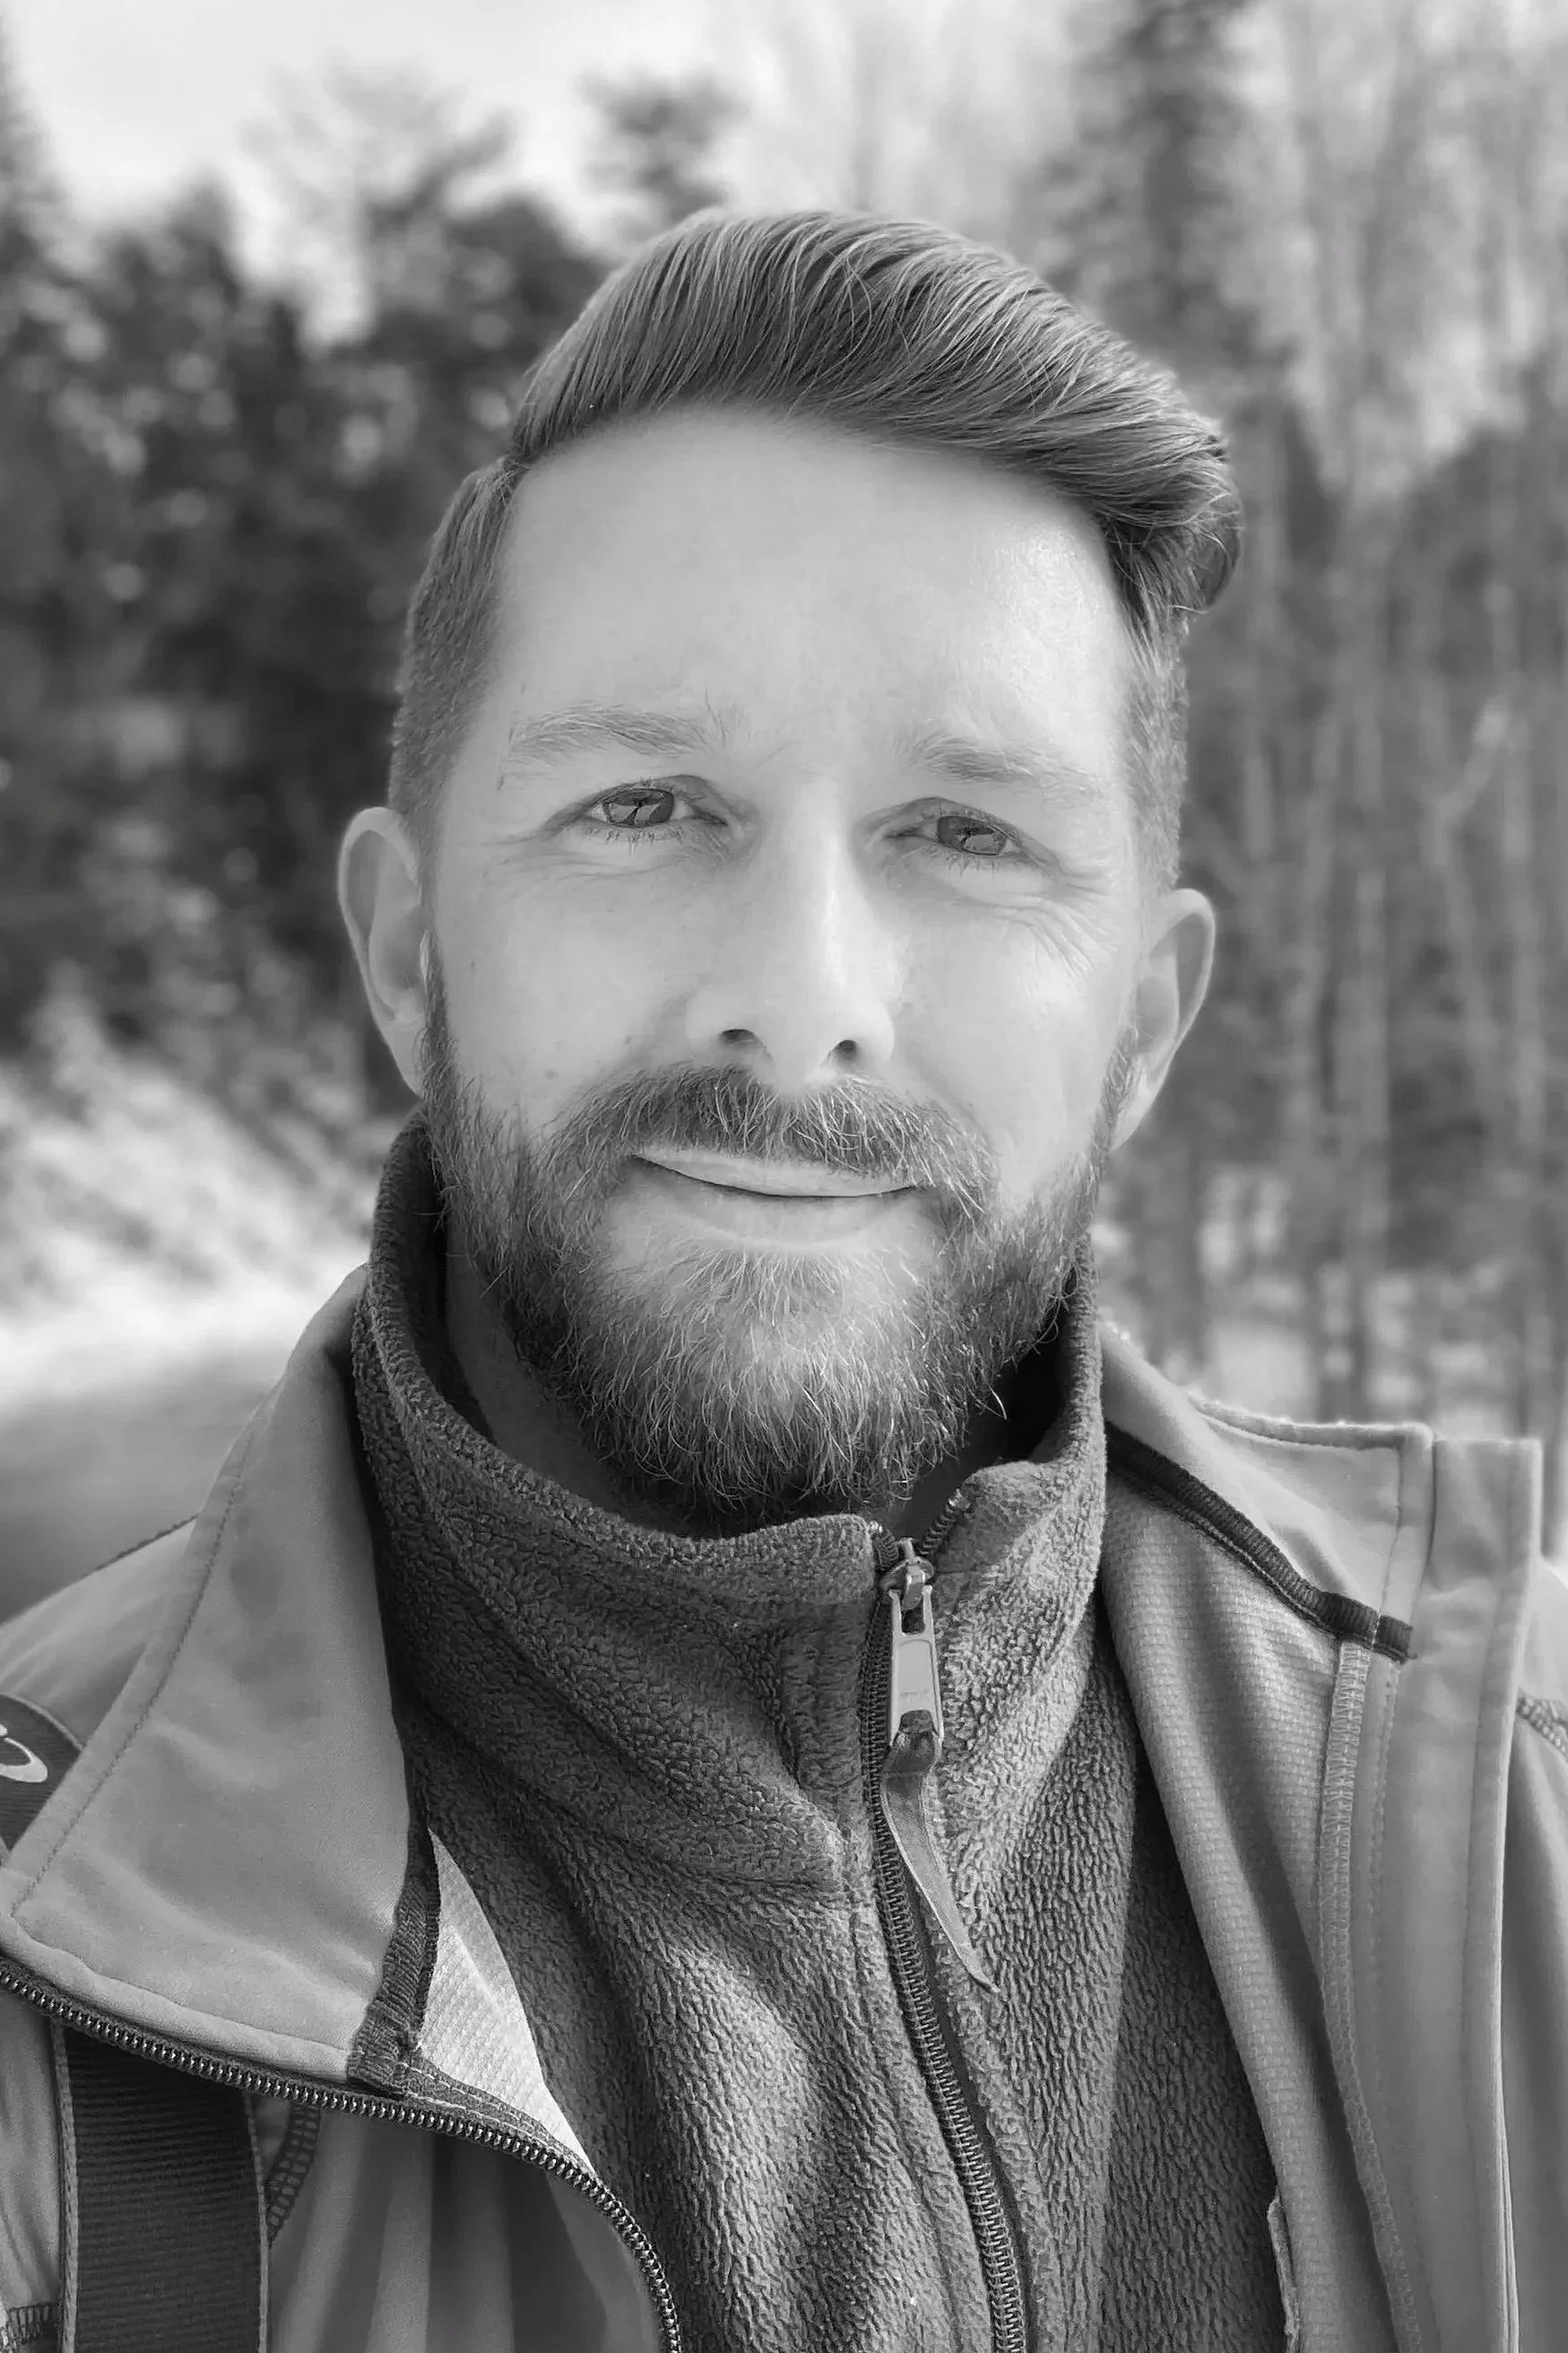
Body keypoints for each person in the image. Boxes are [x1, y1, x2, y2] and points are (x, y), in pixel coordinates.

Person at [0, 209, 1561, 2353]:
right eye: (646, 804)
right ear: (408, 951)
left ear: (1143, 1024)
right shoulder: (45, 1966)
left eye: (965, 832)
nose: (804, 996)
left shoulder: (1519, 1815)